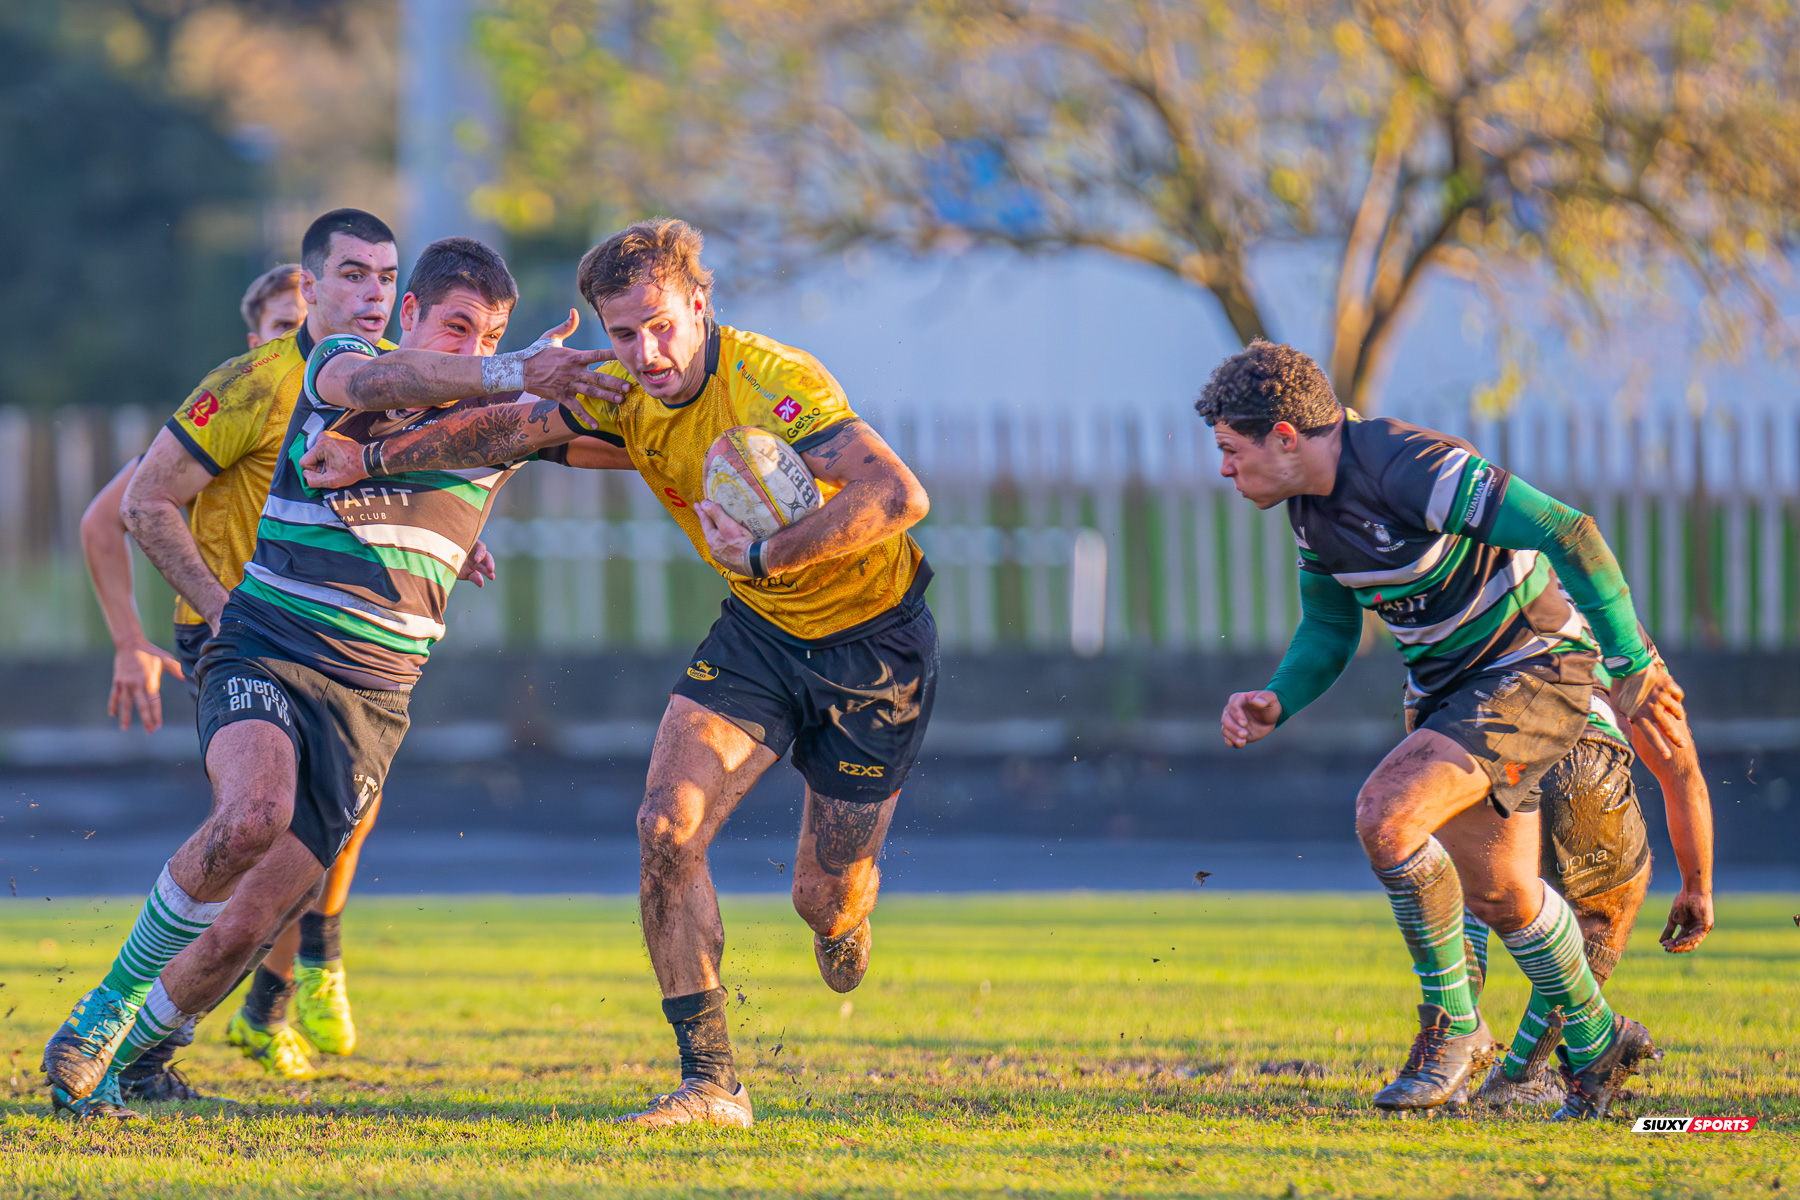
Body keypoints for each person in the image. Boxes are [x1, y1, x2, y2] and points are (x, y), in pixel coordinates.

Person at [295, 217, 937, 1130]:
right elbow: (504, 431)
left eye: (664, 325)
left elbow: (897, 495)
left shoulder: (773, 381)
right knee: (664, 829)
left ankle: (841, 920)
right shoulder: (623, 387)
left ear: (700, 304)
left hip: (877, 649)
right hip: (759, 636)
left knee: (822, 899)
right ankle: (712, 1083)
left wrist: (766, 553)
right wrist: (369, 458)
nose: (649, 352)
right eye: (626, 333)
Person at [40, 235, 557, 1121]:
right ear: (405, 318)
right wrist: (188, 619)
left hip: (375, 697)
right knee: (251, 815)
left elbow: (531, 440)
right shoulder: (335, 364)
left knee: (255, 918)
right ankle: (105, 1009)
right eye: (457, 326)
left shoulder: (478, 422)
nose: (472, 347)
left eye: (491, 333)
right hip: (266, 641)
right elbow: (128, 507)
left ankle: (145, 1056)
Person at [1208, 340, 1683, 1120]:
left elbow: (1571, 530)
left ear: (1285, 438)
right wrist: (1277, 698)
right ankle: (1599, 1041)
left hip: (1533, 668)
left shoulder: (1410, 467)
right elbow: (1328, 630)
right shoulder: (1308, 512)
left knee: (1384, 816)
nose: (1225, 469)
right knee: (1503, 896)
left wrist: (1630, 659)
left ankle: (1454, 1031)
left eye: (1232, 450)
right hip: (1448, 692)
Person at [1469, 639, 1713, 1105]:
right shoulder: (1615, 630)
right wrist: (1697, 886)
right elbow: (1680, 770)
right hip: (1579, 753)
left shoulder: (1476, 596)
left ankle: (1451, 1048)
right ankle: (1519, 1076)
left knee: (1469, 892)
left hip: (1476, 748)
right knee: (1605, 914)